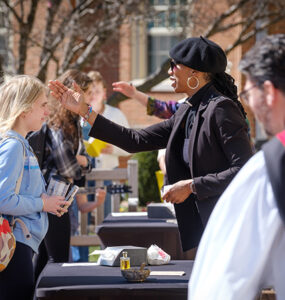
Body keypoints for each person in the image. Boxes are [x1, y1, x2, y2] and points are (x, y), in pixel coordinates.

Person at [48, 36, 253, 257]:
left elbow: (243, 170)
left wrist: (191, 186)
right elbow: (134, 140)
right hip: (200, 228)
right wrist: (85, 111)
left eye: (175, 65)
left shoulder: (222, 109)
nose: (169, 72)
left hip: (223, 225)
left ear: (196, 73)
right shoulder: (188, 109)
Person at [188, 34, 285, 300]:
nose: (250, 106)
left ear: (268, 92)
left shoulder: (270, 170)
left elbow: (223, 283)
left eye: (249, 93)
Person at [0, 75, 68, 300]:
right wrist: (43, 203)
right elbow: (3, 199)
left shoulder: (19, 144)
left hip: (17, 242)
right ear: (24, 109)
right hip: (13, 244)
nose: (47, 112)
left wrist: (47, 204)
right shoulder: (13, 147)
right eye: (43, 105)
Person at [33, 69, 105, 278]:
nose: (90, 98)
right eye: (87, 92)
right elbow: (68, 167)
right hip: (50, 198)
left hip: (59, 197)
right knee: (57, 259)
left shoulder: (73, 122)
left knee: (46, 258)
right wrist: (83, 163)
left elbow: (84, 163)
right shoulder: (57, 123)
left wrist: (84, 163)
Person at [85, 71, 130, 217]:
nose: (93, 95)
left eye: (96, 91)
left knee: (107, 216)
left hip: (108, 173)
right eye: (89, 91)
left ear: (104, 93)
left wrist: (114, 149)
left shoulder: (116, 115)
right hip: (83, 174)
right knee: (83, 220)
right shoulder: (78, 116)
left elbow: (130, 145)